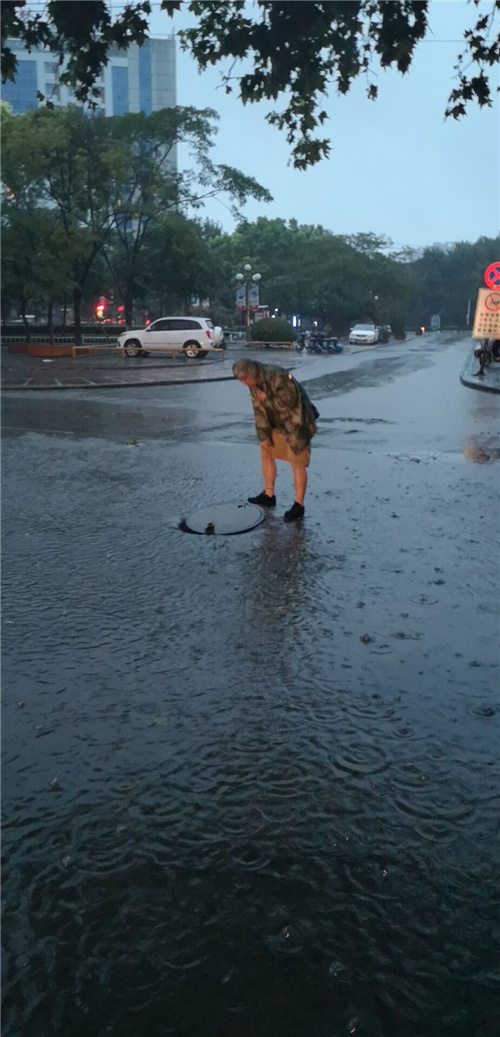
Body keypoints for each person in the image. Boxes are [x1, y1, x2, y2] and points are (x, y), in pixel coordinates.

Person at [233, 358, 319, 522]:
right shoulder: (254, 384)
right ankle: (268, 494)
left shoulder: (277, 375)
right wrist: (263, 435)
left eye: (245, 379)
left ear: (251, 372)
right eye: (241, 381)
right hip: (276, 424)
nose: (244, 384)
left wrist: (267, 399)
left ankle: (299, 505)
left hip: (297, 422)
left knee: (297, 462)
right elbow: (258, 410)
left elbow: (291, 402)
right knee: (266, 454)